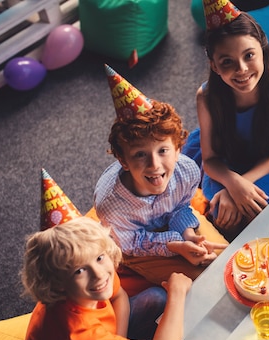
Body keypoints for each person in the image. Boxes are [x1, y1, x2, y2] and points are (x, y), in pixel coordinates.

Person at [21, 216, 193, 340]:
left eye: (99, 258)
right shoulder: (77, 332)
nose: (99, 274)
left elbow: (119, 296)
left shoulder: (93, 280)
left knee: (156, 298)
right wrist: (178, 293)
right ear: (58, 283)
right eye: (79, 271)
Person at [183, 1, 269, 240]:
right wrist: (232, 184)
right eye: (227, 62)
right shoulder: (206, 96)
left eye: (249, 55)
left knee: (257, 216)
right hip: (227, 162)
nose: (242, 69)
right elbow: (211, 160)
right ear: (214, 65)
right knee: (222, 216)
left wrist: (242, 186)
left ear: (263, 51)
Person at [95, 65, 228, 284]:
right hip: (135, 244)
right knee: (198, 283)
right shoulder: (111, 206)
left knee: (222, 261)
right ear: (123, 160)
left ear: (177, 150)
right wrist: (173, 245)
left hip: (171, 226)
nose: (154, 165)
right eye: (140, 154)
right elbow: (131, 243)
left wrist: (188, 236)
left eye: (163, 151)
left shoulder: (186, 171)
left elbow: (180, 208)